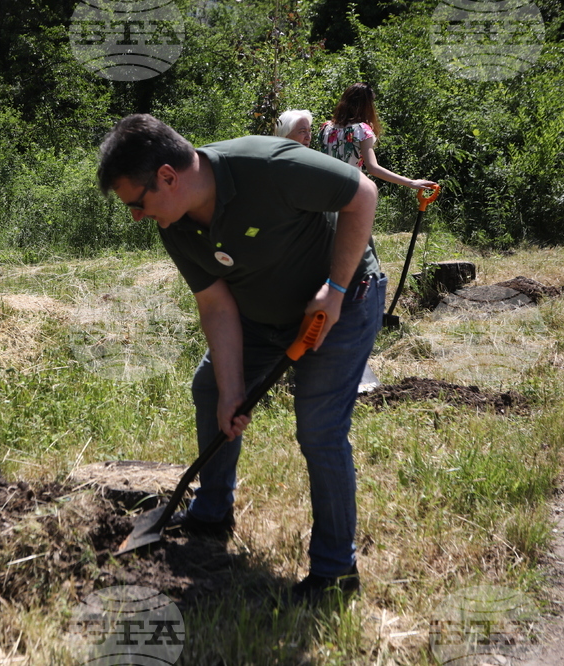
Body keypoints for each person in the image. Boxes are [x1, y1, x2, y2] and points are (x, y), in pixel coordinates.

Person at [98, 114, 384, 606]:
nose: (137, 217)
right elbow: (216, 305)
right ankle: (212, 515)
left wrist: (335, 290)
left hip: (341, 302)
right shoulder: (175, 224)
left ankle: (336, 571)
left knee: (319, 427)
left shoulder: (267, 165)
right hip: (260, 316)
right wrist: (232, 390)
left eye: (136, 203)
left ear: (167, 176)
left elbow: (363, 194)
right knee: (211, 387)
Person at [319, 83, 437, 190]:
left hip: (324, 189)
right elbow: (373, 168)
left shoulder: (326, 127)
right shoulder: (361, 130)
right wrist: (410, 182)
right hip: (348, 190)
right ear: (366, 105)